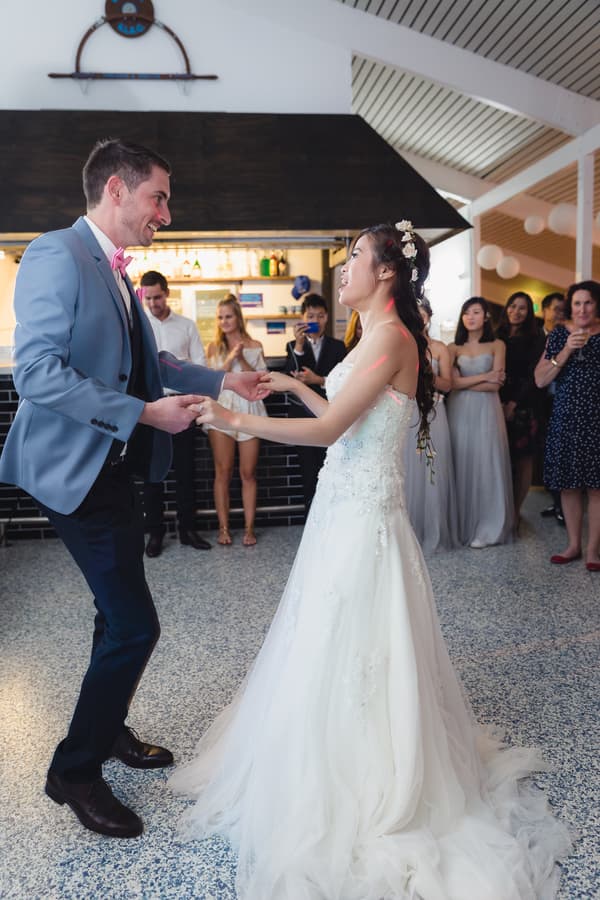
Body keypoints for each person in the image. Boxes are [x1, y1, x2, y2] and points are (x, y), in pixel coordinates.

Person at [170, 222, 570, 899]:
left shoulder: (391, 337)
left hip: (363, 517)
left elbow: (330, 433)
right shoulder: (375, 337)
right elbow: (340, 415)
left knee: (356, 638)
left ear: (386, 271)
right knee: (327, 634)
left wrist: (234, 418)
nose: (343, 267)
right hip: (344, 504)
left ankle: (366, 774)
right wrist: (291, 386)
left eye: (353, 256)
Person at [0, 139, 268, 839]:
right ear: (116, 190)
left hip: (112, 466)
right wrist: (144, 415)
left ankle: (109, 726)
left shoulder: (117, 273)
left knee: (110, 615)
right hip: (70, 472)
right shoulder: (56, 253)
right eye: (159, 197)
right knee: (135, 625)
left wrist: (221, 381)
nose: (166, 214)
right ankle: (75, 770)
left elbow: (155, 362)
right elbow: (36, 374)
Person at [140, 269, 211, 556]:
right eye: (148, 298)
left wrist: (194, 408)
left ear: (167, 293)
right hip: (152, 408)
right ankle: (155, 534)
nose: (153, 303)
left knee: (185, 473)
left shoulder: (186, 325)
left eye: (157, 297)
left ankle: (188, 530)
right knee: (151, 475)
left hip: (182, 406)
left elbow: (201, 365)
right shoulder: (139, 327)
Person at [534, 280, 600, 570]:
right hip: (567, 417)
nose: (582, 309)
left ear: (596, 305)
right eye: (577, 303)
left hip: (597, 418)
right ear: (569, 307)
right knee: (569, 485)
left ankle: (593, 551)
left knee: (597, 487)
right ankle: (573, 544)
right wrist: (566, 352)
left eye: (588, 302)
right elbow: (540, 379)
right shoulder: (560, 335)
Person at [446, 297, 514, 548]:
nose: (470, 317)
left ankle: (488, 526)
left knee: (487, 463)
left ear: (486, 316)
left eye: (476, 312)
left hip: (487, 409)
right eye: (466, 312)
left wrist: (467, 381)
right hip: (459, 409)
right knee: (462, 461)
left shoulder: (498, 345)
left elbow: (496, 385)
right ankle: (463, 525)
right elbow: (451, 384)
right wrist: (485, 376)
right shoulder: (453, 348)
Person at [204, 295, 268, 546]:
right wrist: (231, 356)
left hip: (249, 409)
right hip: (222, 408)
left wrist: (241, 356)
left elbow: (260, 378)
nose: (224, 321)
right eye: (220, 317)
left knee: (248, 472)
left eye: (228, 316)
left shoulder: (255, 344)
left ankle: (249, 529)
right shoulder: (212, 348)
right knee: (223, 471)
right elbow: (211, 379)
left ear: (238, 318)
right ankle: (223, 528)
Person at [404, 297, 459, 553]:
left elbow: (448, 385)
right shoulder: (402, 345)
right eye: (415, 312)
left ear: (429, 316)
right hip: (408, 411)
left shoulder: (439, 348)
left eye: (423, 312)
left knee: (432, 470)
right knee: (408, 471)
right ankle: (408, 535)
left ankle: (434, 530)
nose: (419, 316)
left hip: (435, 411)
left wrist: (426, 373)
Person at [284, 292, 346, 514]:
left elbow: (344, 381)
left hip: (331, 415)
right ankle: (311, 516)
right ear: (303, 318)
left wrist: (317, 380)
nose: (315, 321)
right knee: (307, 469)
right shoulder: (292, 345)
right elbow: (290, 375)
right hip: (303, 417)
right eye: (311, 316)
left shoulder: (339, 347)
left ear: (327, 318)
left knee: (331, 467)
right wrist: (299, 346)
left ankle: (331, 514)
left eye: (320, 316)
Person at [496, 291, 546, 525]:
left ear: (529, 313)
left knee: (524, 459)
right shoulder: (498, 334)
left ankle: (516, 511)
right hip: (496, 400)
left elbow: (532, 375)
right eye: (512, 306)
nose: (516, 311)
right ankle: (502, 510)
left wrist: (514, 403)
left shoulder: (537, 338)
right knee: (502, 458)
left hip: (524, 403)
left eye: (522, 308)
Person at [539, 291, 566, 524]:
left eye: (562, 310)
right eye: (555, 309)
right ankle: (555, 498)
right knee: (545, 455)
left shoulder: (569, 336)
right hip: (539, 402)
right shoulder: (538, 336)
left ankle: (561, 504)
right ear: (544, 310)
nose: (559, 314)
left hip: (562, 402)